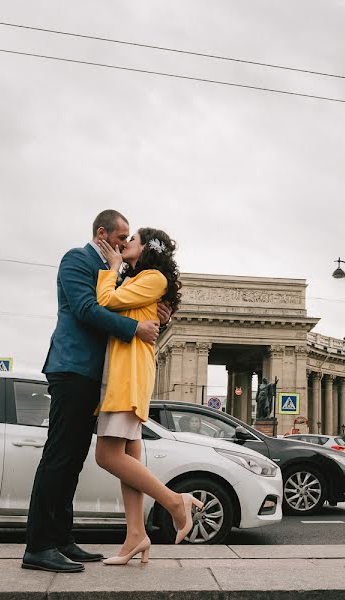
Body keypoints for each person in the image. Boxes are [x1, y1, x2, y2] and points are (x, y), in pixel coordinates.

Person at [23, 210, 168, 574]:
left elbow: (123, 300)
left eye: (127, 240)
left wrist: (156, 314)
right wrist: (135, 329)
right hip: (71, 367)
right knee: (59, 455)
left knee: (72, 459)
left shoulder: (116, 270)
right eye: (120, 238)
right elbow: (87, 309)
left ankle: (61, 539)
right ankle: (39, 546)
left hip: (93, 375)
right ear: (102, 234)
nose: (123, 245)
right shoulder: (77, 259)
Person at [94, 227, 203, 566]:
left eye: (132, 240)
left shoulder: (153, 277)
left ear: (146, 250)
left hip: (127, 378)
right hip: (125, 374)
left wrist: (111, 267)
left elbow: (105, 301)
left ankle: (174, 502)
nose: (125, 244)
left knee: (106, 456)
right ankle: (135, 536)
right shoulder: (142, 281)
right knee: (129, 461)